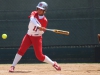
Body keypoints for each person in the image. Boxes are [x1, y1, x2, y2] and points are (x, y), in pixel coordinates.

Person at [9, 1, 61, 72]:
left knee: (39, 56)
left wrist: (41, 29)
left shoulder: (44, 20)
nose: (39, 10)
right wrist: (39, 26)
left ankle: (53, 63)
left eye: (41, 9)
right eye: (38, 8)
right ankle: (13, 66)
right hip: (28, 36)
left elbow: (41, 33)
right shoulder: (34, 13)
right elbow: (32, 19)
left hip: (37, 38)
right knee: (21, 50)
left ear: (44, 10)